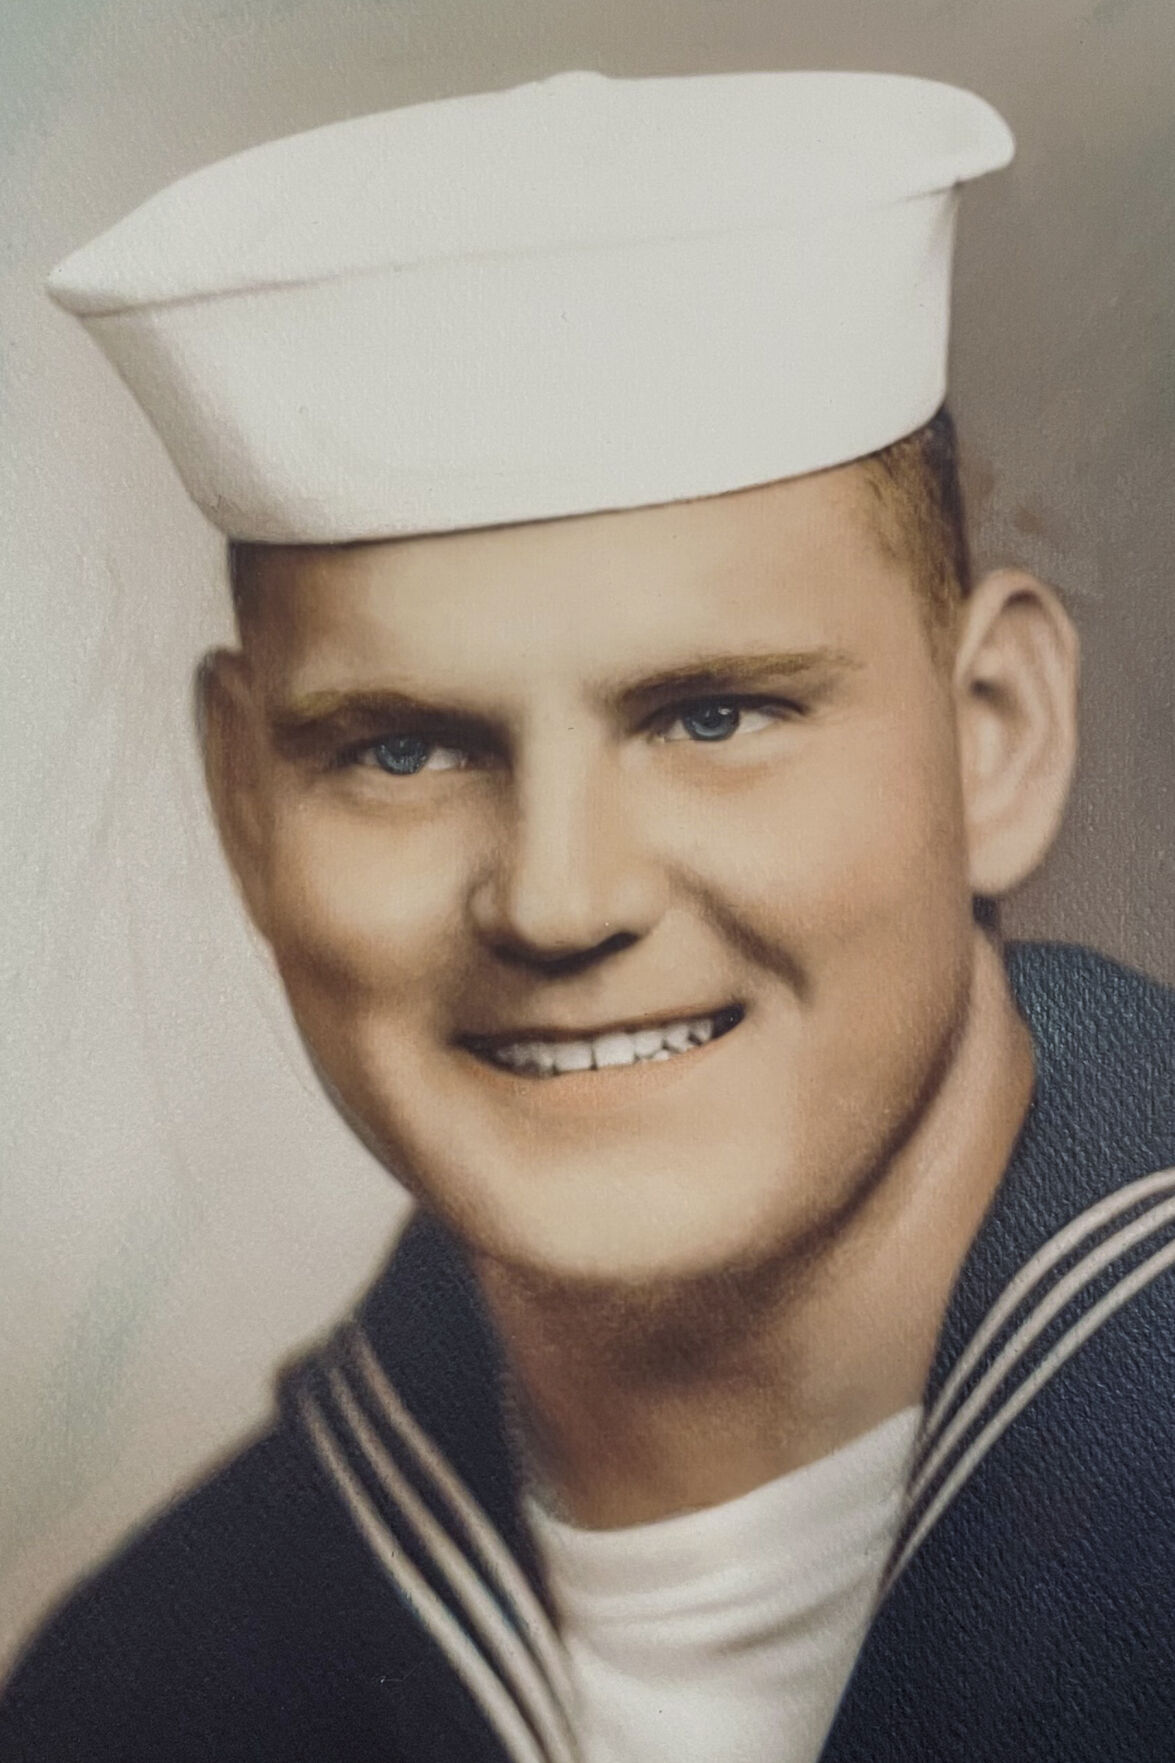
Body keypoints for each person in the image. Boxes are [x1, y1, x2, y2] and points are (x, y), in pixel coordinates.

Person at [3, 68, 1173, 1763]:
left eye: (713, 715)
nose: (561, 899)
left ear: (993, 735)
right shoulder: (143, 1696)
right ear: (246, 812)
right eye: (404, 749)